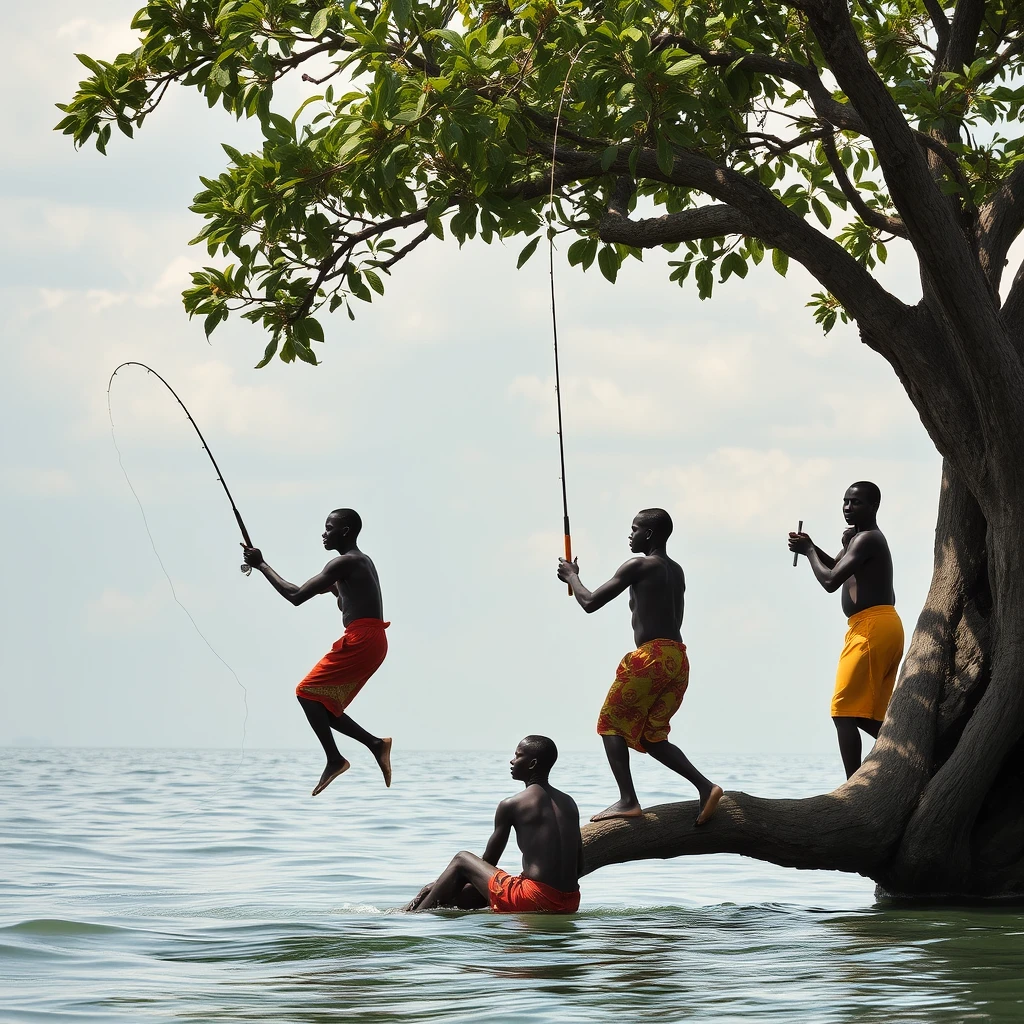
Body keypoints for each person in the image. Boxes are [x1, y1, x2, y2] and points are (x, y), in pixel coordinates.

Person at [556, 508, 723, 825]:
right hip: (677, 658)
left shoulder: (638, 565)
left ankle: (628, 800)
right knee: (651, 737)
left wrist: (572, 576)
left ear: (648, 534)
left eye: (634, 530)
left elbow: (590, 602)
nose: (629, 536)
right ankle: (706, 787)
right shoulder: (676, 570)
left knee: (609, 724)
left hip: (652, 657)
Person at [242, 508, 392, 796]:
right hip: (371, 640)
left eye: (329, 527)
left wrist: (261, 565)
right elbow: (323, 591)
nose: (324, 533)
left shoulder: (344, 562)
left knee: (305, 691)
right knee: (321, 703)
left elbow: (295, 596)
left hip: (364, 639)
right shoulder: (355, 564)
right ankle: (375, 744)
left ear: (345, 531)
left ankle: (335, 759)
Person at [788, 481, 904, 778]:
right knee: (867, 716)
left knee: (842, 711)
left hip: (871, 628)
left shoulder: (867, 539)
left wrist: (809, 549)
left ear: (874, 507)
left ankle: (853, 784)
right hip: (877, 626)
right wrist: (816, 549)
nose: (848, 508)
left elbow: (829, 582)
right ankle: (918, 757)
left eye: (856, 503)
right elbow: (834, 567)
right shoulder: (857, 541)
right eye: (845, 502)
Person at [404, 736, 582, 913]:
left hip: (532, 899)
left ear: (532, 763)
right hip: (570, 902)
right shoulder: (569, 803)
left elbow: (490, 860)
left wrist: (436, 884)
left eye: (518, 755)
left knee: (462, 859)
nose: (512, 761)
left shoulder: (512, 804)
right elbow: (579, 864)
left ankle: (414, 917)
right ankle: (429, 907)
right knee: (468, 894)